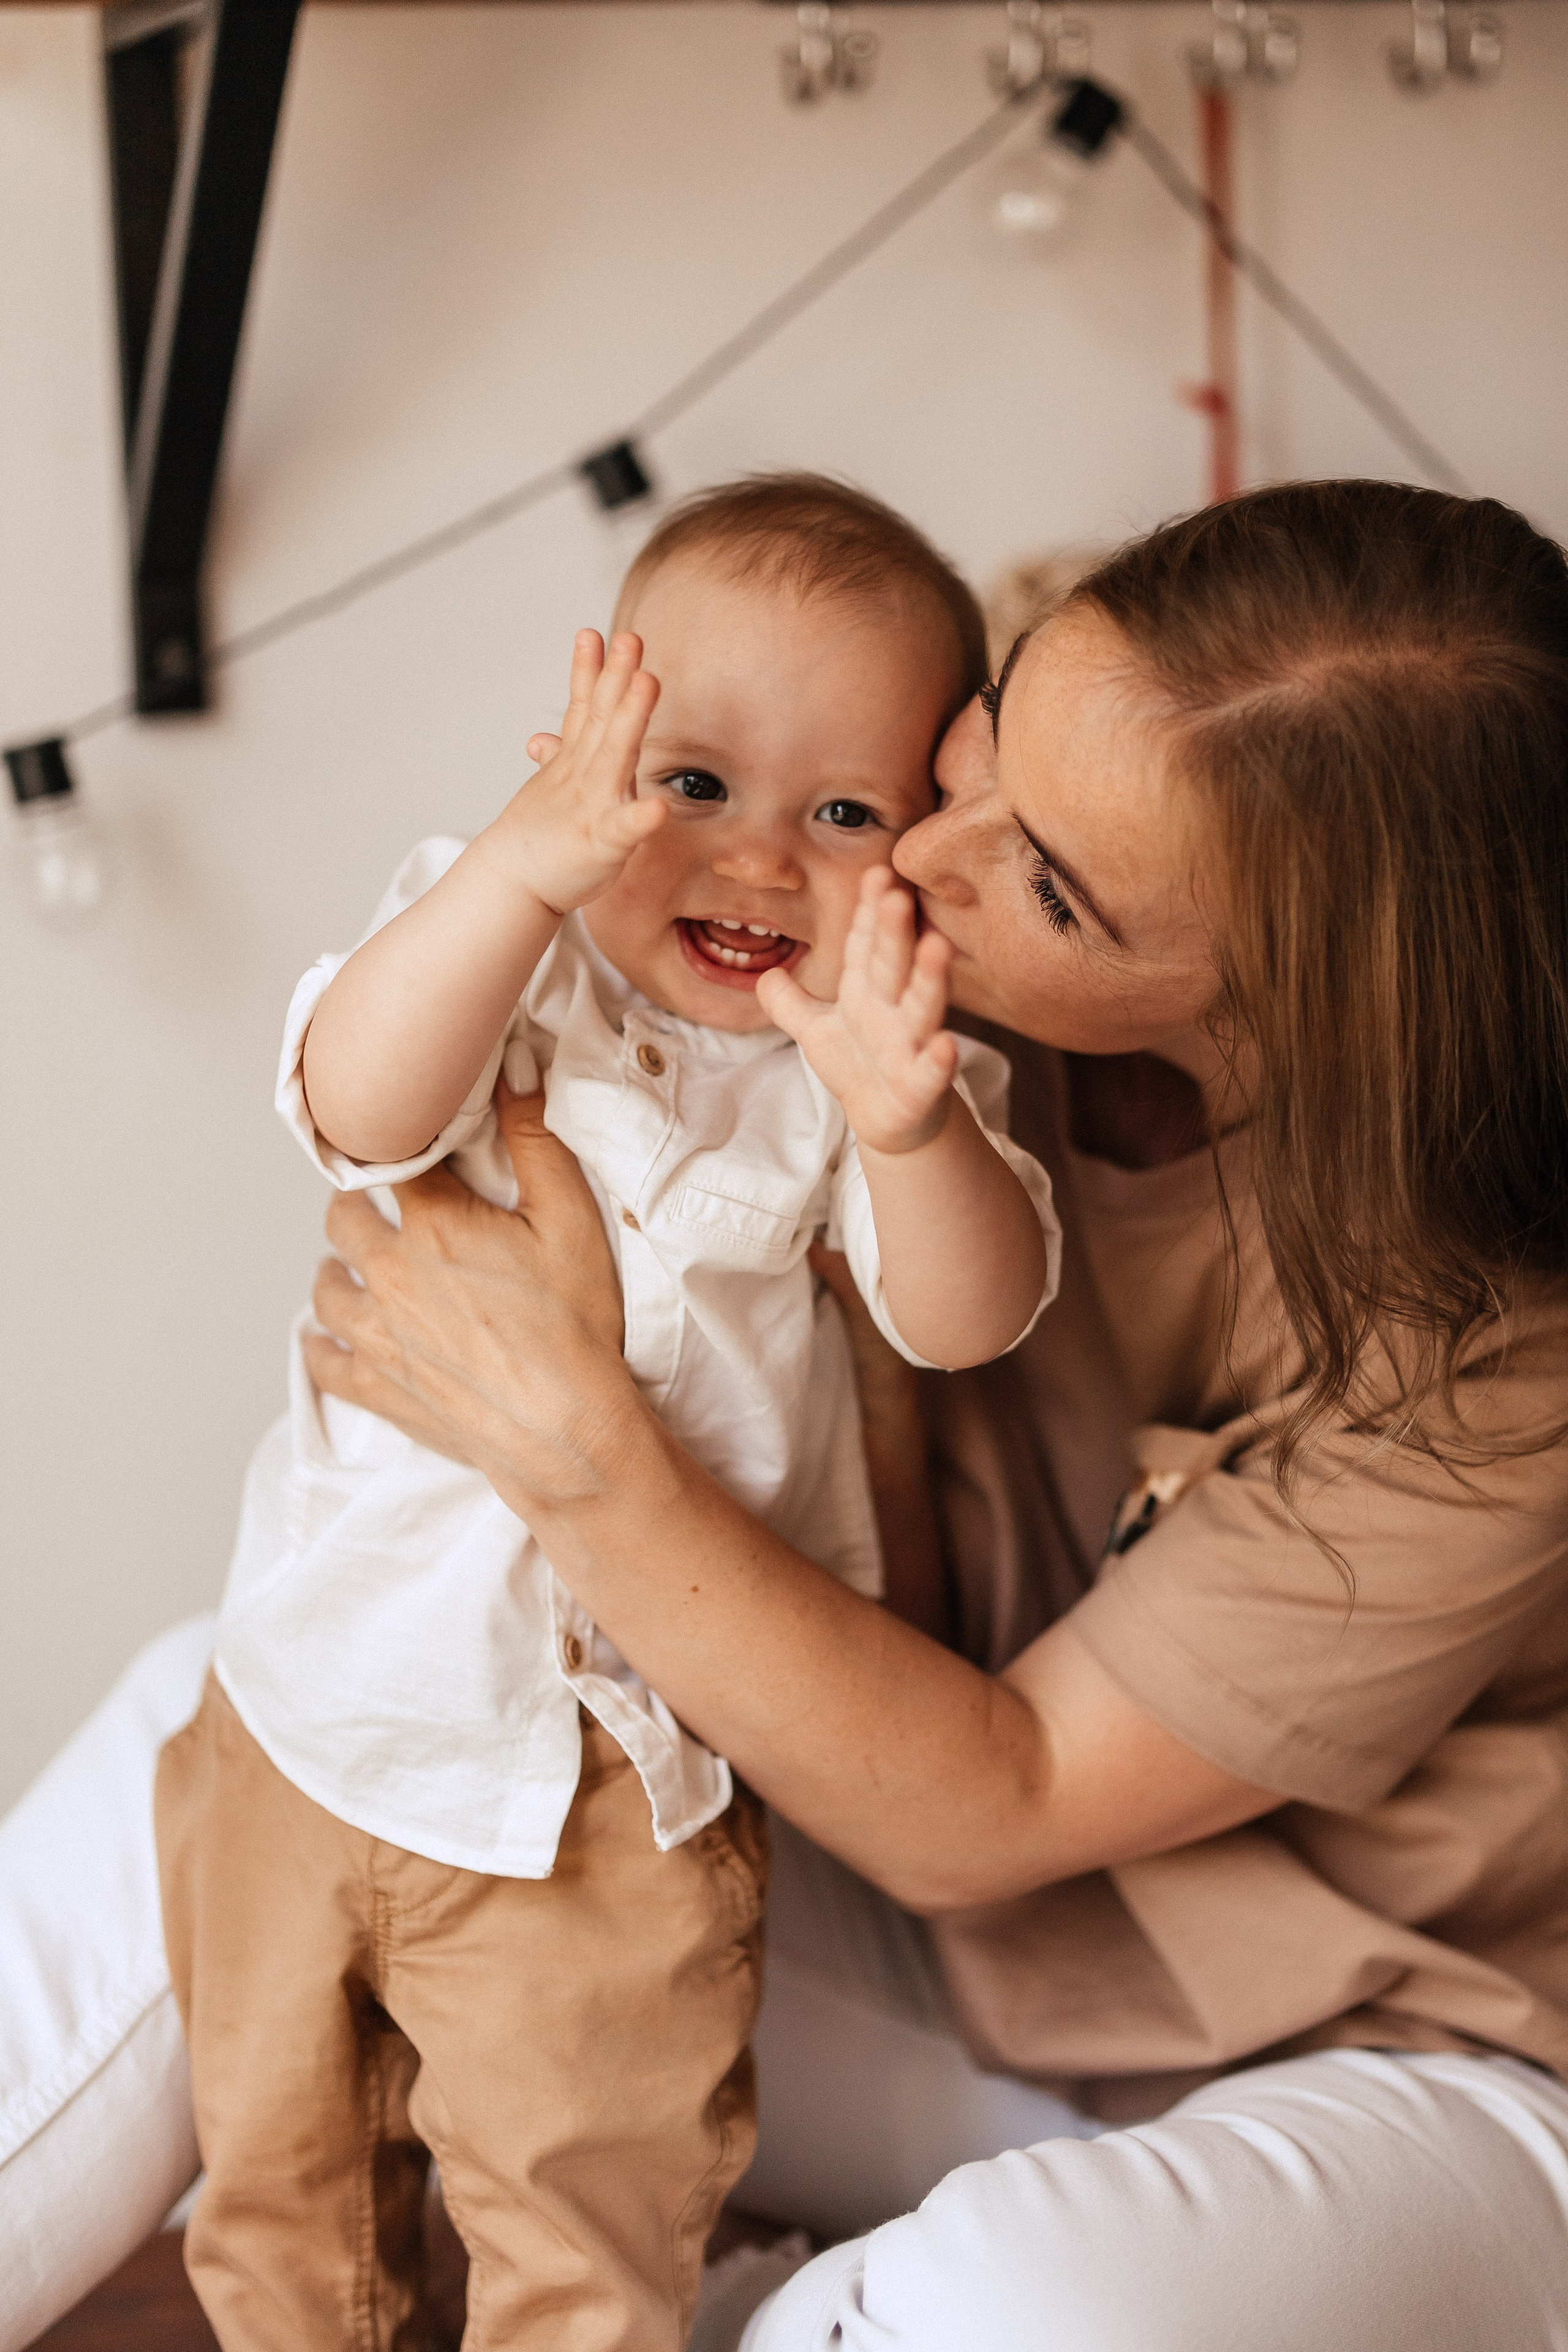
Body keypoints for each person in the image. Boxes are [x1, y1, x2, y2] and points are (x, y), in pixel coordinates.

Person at [6, 478, 1568, 2352]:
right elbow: (385, 1082)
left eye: (1045, 880)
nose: (915, 857)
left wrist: (576, 1445)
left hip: (1374, 2057)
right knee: (275, 1706)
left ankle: (736, 2295)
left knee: (1028, 2310)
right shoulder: (880, 960)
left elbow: (997, 1806)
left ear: (1299, 1019)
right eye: (969, 755)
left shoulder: (1508, 1354)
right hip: (871, 1938)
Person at [157, 475, 1058, 2352]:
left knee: (587, 2235)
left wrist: (909, 1128)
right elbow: (357, 1104)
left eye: (842, 813)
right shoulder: (506, 945)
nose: (753, 863)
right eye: (694, 784)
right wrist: (514, 870)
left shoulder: (858, 1071)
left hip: (608, 1802)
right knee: (274, 2203)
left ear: (920, 853)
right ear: (581, 757)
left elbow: (973, 1317)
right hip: (310, 1721)